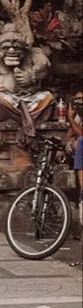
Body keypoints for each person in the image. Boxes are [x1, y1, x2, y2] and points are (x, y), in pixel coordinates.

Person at [67, 90, 83, 225]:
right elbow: (69, 135)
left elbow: (81, 134)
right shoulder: (79, 116)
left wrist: (70, 118)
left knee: (81, 143)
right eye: (76, 101)